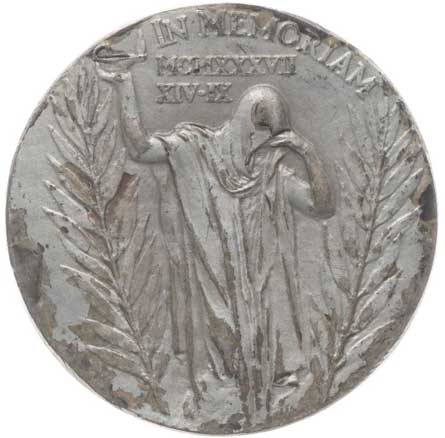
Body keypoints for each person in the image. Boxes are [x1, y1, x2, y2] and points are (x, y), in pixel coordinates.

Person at [95, 42, 335, 422]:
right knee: (218, 380)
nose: (263, 146)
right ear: (244, 124)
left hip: (260, 300)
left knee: (265, 379)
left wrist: (306, 151)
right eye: (258, 134)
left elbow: (322, 207)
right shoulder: (196, 150)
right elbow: (140, 149)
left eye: (271, 140)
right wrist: (124, 84)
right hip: (212, 291)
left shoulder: (271, 174)